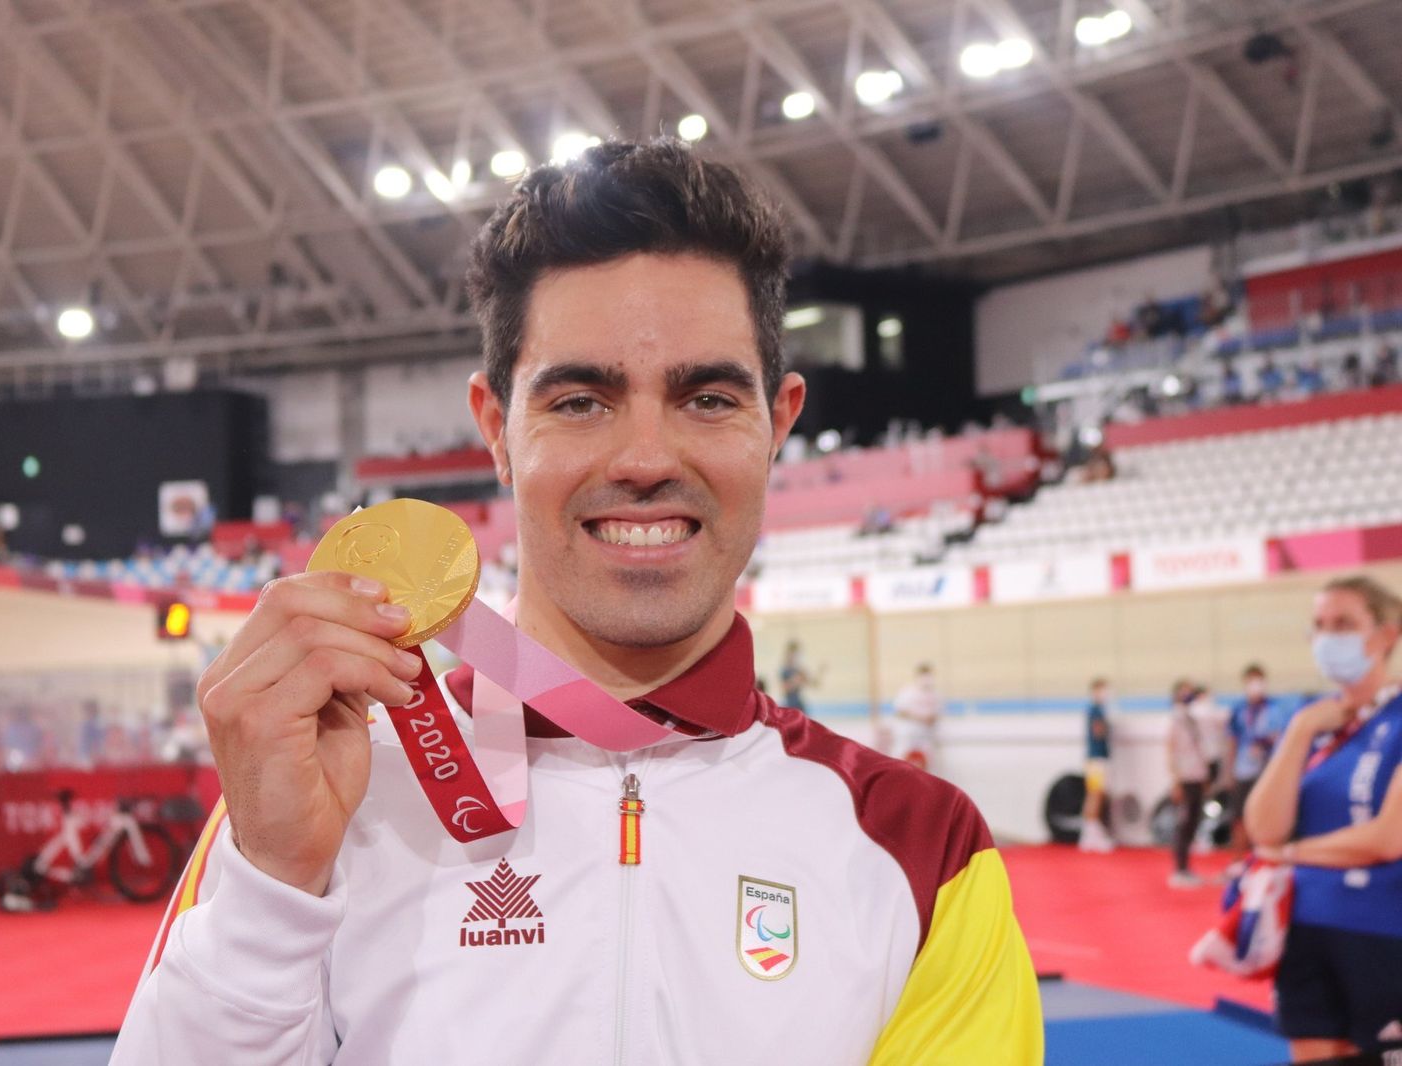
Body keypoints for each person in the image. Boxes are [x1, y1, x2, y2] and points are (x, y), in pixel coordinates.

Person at [111, 139, 1042, 1064]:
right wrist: (275, 881)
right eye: (581, 402)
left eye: (709, 398)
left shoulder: (922, 848)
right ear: (496, 429)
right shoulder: (324, 798)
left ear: (779, 424)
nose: (644, 460)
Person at [1245, 575, 1402, 1061]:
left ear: (1386, 634)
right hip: (1306, 927)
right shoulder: (1312, 722)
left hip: (1382, 932)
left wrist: (1287, 854)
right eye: (1319, 625)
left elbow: (1388, 838)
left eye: (1344, 623)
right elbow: (1263, 828)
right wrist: (1300, 730)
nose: (1329, 636)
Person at [1224, 664, 1286, 858]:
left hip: (1267, 769)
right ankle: (1238, 859)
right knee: (1239, 815)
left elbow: (1281, 738)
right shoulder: (1238, 710)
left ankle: (1262, 857)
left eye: (1259, 681)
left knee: (1265, 815)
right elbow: (1232, 741)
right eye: (1251, 681)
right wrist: (1229, 771)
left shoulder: (1274, 709)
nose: (1256, 685)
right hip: (1243, 769)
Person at [1167, 679, 1210, 888]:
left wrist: (1204, 777)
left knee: (1193, 822)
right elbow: (1171, 751)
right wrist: (1175, 781)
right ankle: (1179, 869)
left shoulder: (1192, 719)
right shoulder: (1175, 720)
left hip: (1196, 776)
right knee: (1184, 824)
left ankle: (1186, 868)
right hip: (1184, 778)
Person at [1079, 678, 1115, 853]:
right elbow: (1098, 731)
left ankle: (1089, 832)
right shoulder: (1096, 710)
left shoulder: (1095, 710)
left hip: (1095, 758)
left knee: (1094, 794)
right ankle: (1091, 832)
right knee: (1096, 794)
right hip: (1097, 758)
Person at [891, 662, 943, 771]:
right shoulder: (907, 692)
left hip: (926, 737)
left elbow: (937, 714)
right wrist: (918, 717)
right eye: (924, 675)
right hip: (908, 736)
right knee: (903, 765)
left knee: (927, 767)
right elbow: (899, 711)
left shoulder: (935, 694)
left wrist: (930, 719)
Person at [777, 638, 820, 714]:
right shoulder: (784, 670)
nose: (794, 656)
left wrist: (820, 672)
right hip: (789, 706)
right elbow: (784, 689)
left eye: (796, 654)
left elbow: (814, 685)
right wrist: (796, 680)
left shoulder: (799, 670)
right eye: (792, 653)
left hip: (800, 706)